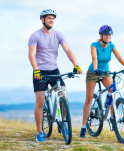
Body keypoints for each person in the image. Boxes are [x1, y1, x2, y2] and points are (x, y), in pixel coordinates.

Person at [28, 9, 82, 142]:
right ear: (42, 20)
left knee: (64, 96)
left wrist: (75, 64)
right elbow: (31, 54)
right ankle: (40, 132)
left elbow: (68, 50)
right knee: (40, 101)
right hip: (40, 71)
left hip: (54, 71)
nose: (51, 20)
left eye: (53, 18)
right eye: (49, 18)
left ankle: (63, 122)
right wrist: (36, 70)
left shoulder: (58, 34)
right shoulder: (35, 35)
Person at [79, 25, 124, 138]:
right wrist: (95, 69)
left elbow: (119, 58)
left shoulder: (111, 46)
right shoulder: (94, 45)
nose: (108, 37)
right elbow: (94, 58)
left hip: (105, 72)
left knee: (113, 92)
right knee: (89, 99)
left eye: (109, 35)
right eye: (106, 35)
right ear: (101, 36)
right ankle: (83, 128)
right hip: (93, 72)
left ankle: (112, 118)